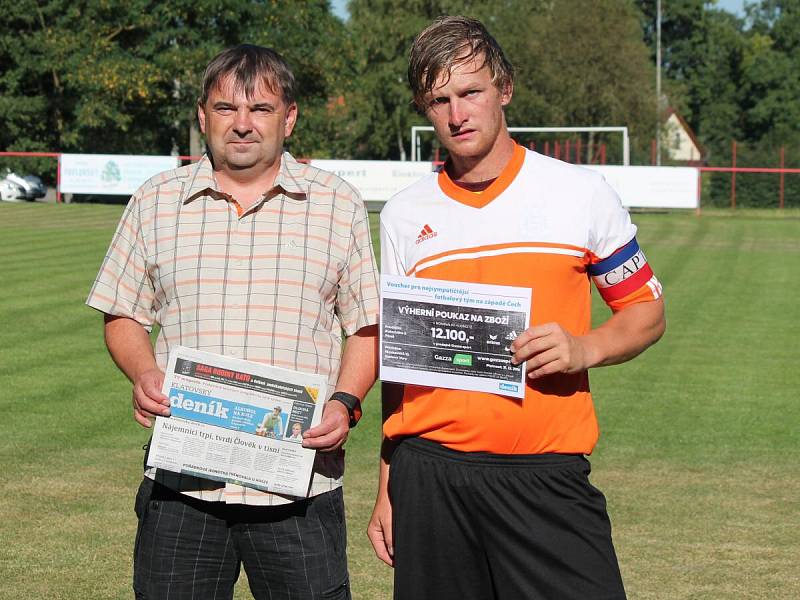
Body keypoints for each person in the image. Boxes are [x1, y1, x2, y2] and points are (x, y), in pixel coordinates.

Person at [368, 16, 665, 600]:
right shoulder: (403, 214)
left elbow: (646, 313)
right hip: (430, 475)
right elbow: (399, 364)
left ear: (503, 87)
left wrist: (585, 347)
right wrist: (387, 484)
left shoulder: (579, 193)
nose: (457, 114)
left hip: (544, 474)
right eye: (439, 99)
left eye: (471, 92)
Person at [87, 44, 379, 600]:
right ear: (202, 116)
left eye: (261, 109)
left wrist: (345, 403)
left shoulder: (337, 204)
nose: (242, 125)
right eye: (225, 109)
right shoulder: (155, 200)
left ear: (288, 117)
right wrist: (143, 372)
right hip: (182, 485)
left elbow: (364, 327)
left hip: (300, 486)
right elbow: (123, 313)